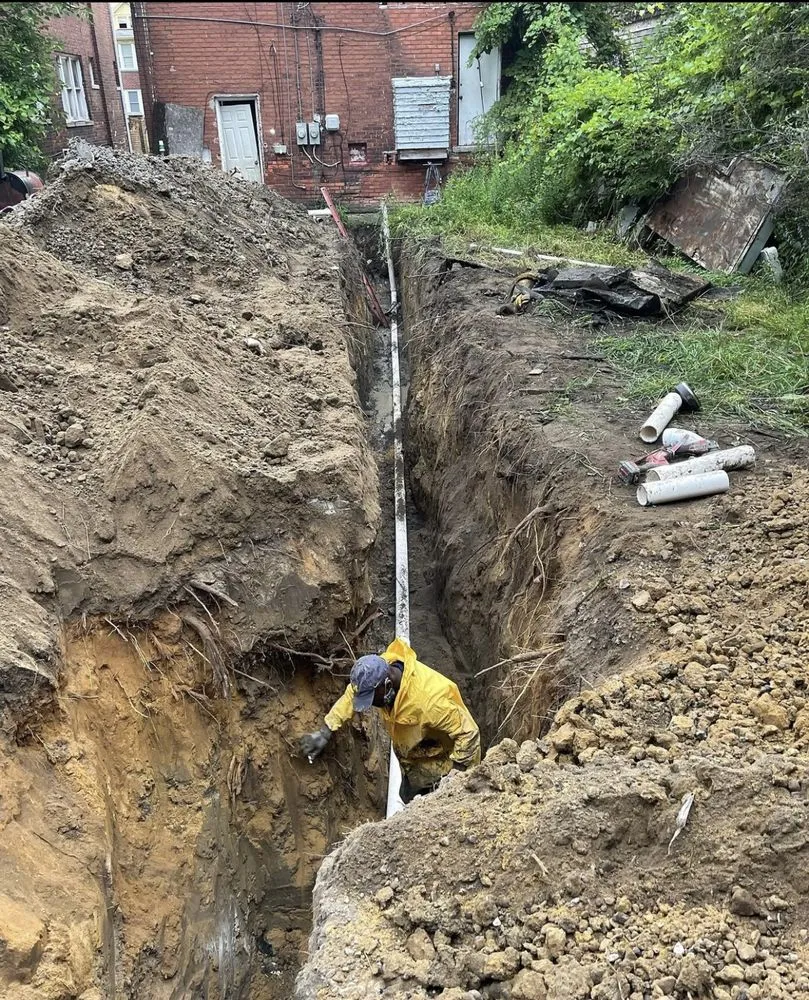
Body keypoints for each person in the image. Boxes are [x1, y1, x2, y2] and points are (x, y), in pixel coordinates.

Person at [299, 637, 480, 803]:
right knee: (407, 798)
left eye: (372, 699)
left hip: (443, 763)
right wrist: (326, 730)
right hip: (415, 759)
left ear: (386, 684)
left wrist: (454, 781)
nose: (371, 705)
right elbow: (352, 695)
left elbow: (468, 733)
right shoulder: (379, 671)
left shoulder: (429, 702)